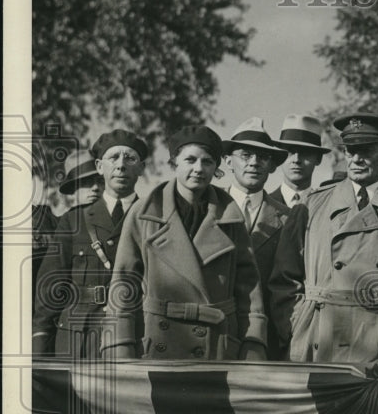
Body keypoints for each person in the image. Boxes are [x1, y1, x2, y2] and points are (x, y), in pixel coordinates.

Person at [269, 113, 378, 364]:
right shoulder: (312, 206)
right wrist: (299, 325)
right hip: (323, 340)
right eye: (350, 150)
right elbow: (284, 278)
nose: (355, 158)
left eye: (365, 150)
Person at [101, 126, 267, 361]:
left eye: (207, 162)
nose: (198, 169)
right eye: (190, 160)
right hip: (160, 342)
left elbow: (248, 287)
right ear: (174, 163)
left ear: (216, 168)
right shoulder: (145, 212)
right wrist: (119, 345)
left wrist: (254, 342)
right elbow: (123, 283)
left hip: (216, 344)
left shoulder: (230, 216)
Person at [33, 131, 149, 358]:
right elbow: (50, 286)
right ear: (99, 166)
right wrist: (39, 339)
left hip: (136, 332)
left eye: (130, 158)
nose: (121, 166)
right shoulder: (74, 220)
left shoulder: (154, 216)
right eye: (113, 158)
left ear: (142, 168)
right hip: (80, 335)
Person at [223, 118, 293, 358]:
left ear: (272, 166)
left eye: (262, 157)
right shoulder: (208, 209)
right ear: (228, 161)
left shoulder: (288, 218)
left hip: (269, 338)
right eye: (245, 155)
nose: (254, 163)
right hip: (217, 333)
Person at [269, 114, 331, 207]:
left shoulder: (326, 206)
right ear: (280, 156)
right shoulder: (263, 205)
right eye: (290, 151)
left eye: (305, 152)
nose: (296, 160)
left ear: (318, 158)